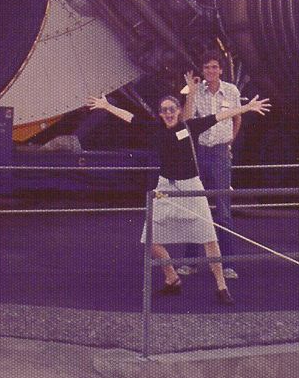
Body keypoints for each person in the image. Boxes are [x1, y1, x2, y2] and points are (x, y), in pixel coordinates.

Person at [86, 74, 270, 305]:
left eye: (172, 109)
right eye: (164, 110)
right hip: (165, 187)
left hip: (191, 186)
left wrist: (247, 107)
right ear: (160, 113)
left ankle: (222, 287)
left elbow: (219, 116)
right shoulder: (155, 129)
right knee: (151, 240)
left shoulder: (190, 126)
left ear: (178, 110)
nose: (169, 113)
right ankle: (172, 279)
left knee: (209, 239)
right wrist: (106, 105)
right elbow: (130, 118)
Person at [179, 50, 242, 278]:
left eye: (215, 67)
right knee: (196, 206)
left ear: (221, 70)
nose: (211, 71)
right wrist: (191, 95)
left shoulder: (231, 91)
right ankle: (190, 262)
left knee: (223, 210)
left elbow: (237, 118)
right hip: (201, 152)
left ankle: (227, 265)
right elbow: (186, 120)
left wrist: (229, 143)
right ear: (203, 71)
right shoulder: (198, 93)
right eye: (207, 67)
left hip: (220, 153)